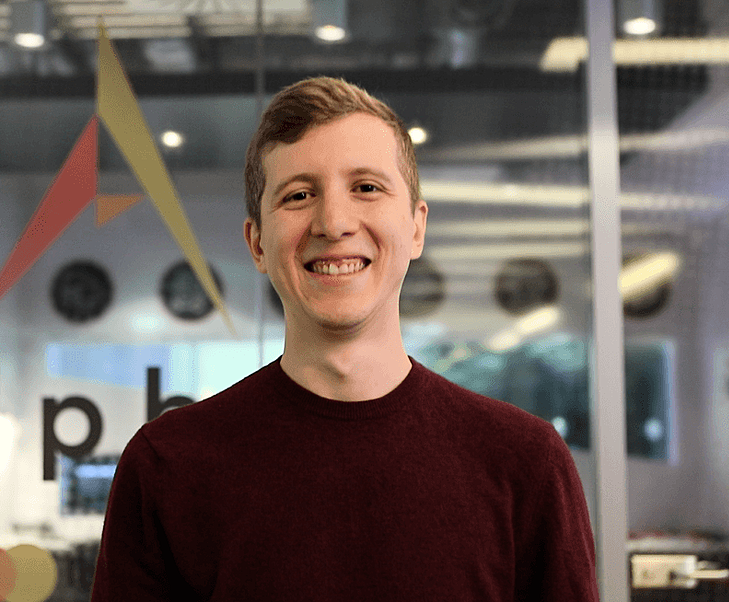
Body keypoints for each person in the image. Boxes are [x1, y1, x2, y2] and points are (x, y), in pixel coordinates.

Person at [90, 76, 599, 601]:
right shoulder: (168, 466)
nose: (333, 222)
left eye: (367, 187)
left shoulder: (525, 464)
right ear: (257, 243)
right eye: (300, 195)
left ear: (416, 227)